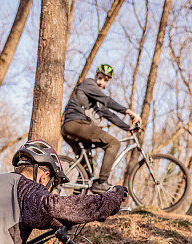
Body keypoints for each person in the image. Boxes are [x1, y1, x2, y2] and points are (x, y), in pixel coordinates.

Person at [61, 63, 142, 193]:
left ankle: (76, 199)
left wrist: (129, 128)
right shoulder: (88, 84)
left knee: (86, 169)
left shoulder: (96, 100)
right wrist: (129, 112)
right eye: (100, 78)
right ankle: (102, 182)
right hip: (76, 124)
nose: (101, 82)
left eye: (105, 80)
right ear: (95, 76)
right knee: (113, 143)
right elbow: (107, 100)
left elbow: (110, 115)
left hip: (72, 127)